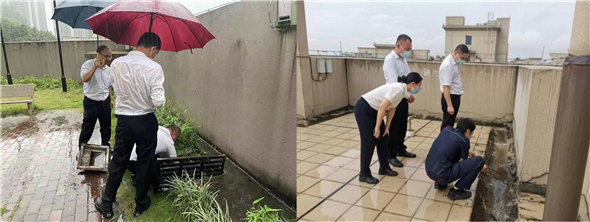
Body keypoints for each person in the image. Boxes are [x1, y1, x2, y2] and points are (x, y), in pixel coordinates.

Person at [95, 32, 165, 218]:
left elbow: (111, 85)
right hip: (146, 121)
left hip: (124, 121)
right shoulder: (155, 68)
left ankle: (107, 202)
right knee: (144, 161)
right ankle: (141, 204)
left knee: (119, 161)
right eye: (155, 52)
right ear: (153, 49)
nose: (155, 55)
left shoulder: (116, 64)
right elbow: (158, 102)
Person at [355, 72, 423, 184]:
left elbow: (392, 109)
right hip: (365, 109)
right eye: (419, 86)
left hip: (375, 111)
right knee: (369, 142)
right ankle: (364, 173)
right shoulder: (398, 89)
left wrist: (387, 127)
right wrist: (377, 127)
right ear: (412, 84)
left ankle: (384, 168)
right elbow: (382, 107)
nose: (419, 89)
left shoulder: (403, 91)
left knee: (384, 137)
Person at [425, 118, 488, 200]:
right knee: (479, 161)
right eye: (471, 133)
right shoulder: (464, 140)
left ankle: (440, 184)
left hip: (429, 169)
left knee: (446, 157)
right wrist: (480, 167)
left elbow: (448, 147)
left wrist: (468, 152)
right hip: (441, 175)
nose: (471, 135)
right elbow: (464, 162)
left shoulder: (446, 130)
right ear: (468, 131)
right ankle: (456, 191)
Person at [383, 34, 417, 168]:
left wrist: (411, 92)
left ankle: (400, 149)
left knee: (402, 124)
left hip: (403, 96)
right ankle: (391, 154)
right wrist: (408, 95)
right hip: (394, 97)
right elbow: (394, 82)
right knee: (393, 126)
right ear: (398, 45)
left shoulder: (403, 59)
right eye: (407, 48)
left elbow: (408, 78)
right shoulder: (390, 59)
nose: (408, 51)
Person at [78, 45, 113, 149]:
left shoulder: (108, 69)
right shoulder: (87, 65)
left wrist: (110, 99)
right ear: (98, 54)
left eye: (110, 56)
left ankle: (106, 146)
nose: (108, 59)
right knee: (88, 127)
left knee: (106, 126)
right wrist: (95, 67)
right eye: (106, 56)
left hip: (105, 101)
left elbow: (109, 85)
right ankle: (82, 147)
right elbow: (84, 79)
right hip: (91, 101)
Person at [439, 44, 469, 131]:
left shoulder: (454, 63)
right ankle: (443, 143)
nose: (463, 60)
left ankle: (447, 142)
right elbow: (446, 86)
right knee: (447, 124)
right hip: (450, 97)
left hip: (454, 96)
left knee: (450, 122)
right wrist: (449, 105)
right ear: (456, 53)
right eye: (462, 58)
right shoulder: (448, 65)